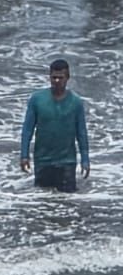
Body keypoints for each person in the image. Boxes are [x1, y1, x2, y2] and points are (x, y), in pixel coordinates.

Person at [20, 59, 90, 191]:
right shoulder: (37, 99)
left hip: (67, 162)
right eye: (54, 77)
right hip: (43, 161)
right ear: (50, 77)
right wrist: (24, 156)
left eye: (61, 78)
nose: (57, 81)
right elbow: (27, 130)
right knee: (43, 202)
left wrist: (85, 159)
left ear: (67, 78)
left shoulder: (76, 103)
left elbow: (81, 133)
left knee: (67, 203)